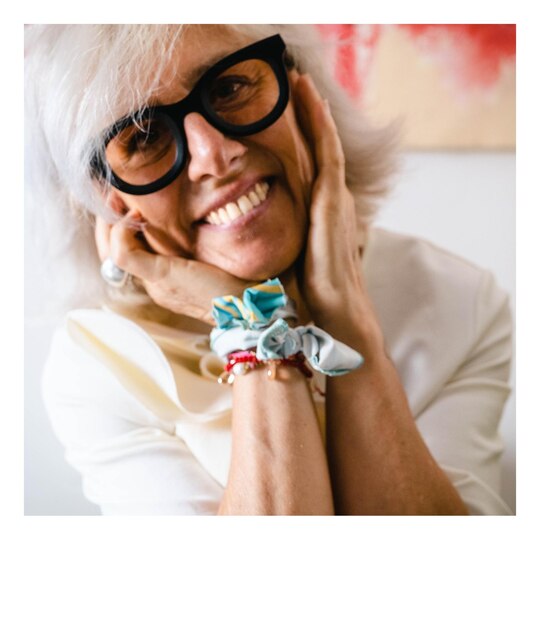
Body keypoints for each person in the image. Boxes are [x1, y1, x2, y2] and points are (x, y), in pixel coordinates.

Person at [25, 24, 513, 515]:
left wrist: (346, 316)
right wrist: (250, 326)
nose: (215, 156)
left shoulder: (460, 303)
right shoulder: (102, 365)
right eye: (145, 137)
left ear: (304, 95)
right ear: (106, 198)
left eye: (228, 88)